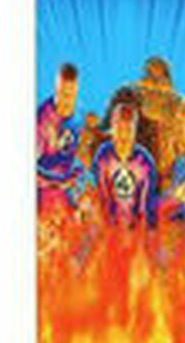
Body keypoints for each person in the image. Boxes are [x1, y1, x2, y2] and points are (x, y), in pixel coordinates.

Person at [91, 87, 159, 229]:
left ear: (135, 131)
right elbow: (101, 200)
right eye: (119, 129)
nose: (123, 136)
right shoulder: (104, 157)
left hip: (137, 232)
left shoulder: (145, 163)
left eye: (128, 130)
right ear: (112, 129)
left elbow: (145, 209)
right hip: (108, 231)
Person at [36, 63, 82, 210]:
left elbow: (78, 159)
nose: (67, 101)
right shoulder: (41, 120)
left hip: (66, 203)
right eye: (63, 95)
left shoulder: (79, 117)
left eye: (71, 96)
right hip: (43, 201)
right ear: (56, 89)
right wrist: (58, 183)